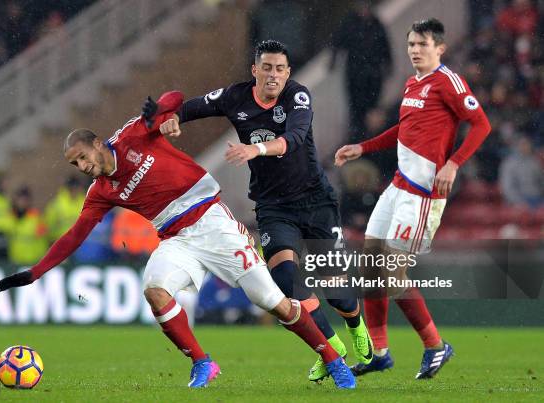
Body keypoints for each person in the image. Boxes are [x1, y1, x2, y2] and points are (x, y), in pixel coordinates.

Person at [0, 91, 356, 390]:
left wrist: (161, 108)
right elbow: (75, 236)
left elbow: (174, 101)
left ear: (96, 143)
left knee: (273, 301)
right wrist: (34, 273)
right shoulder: (101, 192)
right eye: (75, 165)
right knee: (154, 289)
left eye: (83, 157)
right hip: (176, 238)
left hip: (212, 221)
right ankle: (202, 362)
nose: (82, 166)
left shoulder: (133, 136)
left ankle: (332, 359)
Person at [163, 39, 373, 383]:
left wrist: (255, 149)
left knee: (337, 294)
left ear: (288, 73)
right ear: (255, 70)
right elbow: (192, 108)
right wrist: (172, 117)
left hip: (316, 202)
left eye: (279, 69)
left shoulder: (298, 96)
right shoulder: (235, 96)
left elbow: (295, 136)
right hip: (274, 207)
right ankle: (331, 347)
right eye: (267, 68)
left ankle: (355, 325)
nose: (273, 75)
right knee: (286, 280)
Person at [334, 18, 492, 379]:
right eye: (411, 45)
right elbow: (404, 131)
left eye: (422, 44)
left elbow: (482, 124)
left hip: (422, 196)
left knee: (392, 272)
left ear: (440, 48)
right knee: (371, 266)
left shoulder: (448, 82)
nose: (415, 51)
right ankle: (380, 352)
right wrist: (364, 147)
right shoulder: (413, 84)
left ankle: (436, 347)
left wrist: (453, 164)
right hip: (397, 187)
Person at [329, 1, 392, 141]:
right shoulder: (350, 24)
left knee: (372, 106)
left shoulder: (376, 25)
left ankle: (371, 135)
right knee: (355, 107)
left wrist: (388, 65)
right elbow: (337, 42)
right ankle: (357, 135)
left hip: (373, 75)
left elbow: (385, 47)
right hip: (355, 74)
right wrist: (333, 61)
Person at [8, 186, 48, 266]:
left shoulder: (36, 217)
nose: (22, 203)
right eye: (20, 200)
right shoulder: (10, 217)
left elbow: (44, 237)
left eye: (25, 200)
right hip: (16, 261)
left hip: (34, 261)